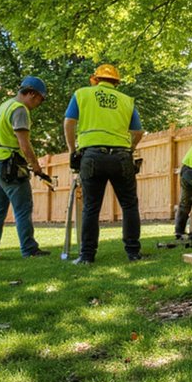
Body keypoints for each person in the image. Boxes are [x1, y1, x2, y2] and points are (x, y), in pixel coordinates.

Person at [63, 64, 145, 264]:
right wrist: (130, 148)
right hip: (121, 157)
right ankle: (133, 253)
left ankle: (87, 256)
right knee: (129, 205)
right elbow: (138, 131)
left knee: (91, 207)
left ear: (95, 79)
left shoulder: (82, 94)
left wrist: (73, 150)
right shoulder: (126, 101)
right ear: (116, 82)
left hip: (92, 157)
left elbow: (69, 122)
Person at [0, 76, 51, 261]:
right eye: (40, 99)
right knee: (23, 208)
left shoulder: (4, 106)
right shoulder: (20, 110)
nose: (39, 104)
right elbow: (24, 144)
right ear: (31, 93)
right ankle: (29, 249)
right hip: (8, 165)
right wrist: (36, 167)